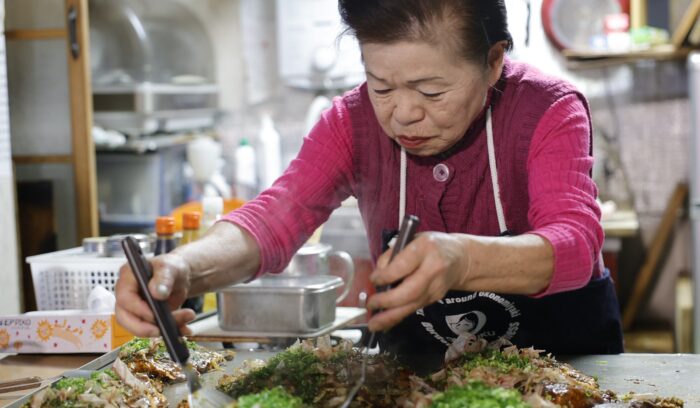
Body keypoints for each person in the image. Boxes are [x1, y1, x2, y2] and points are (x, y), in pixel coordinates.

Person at [115, 0, 623, 372]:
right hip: (421, 384)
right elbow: (272, 220)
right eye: (381, 86)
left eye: (431, 90)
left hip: (567, 374)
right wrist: (184, 268)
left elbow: (577, 245)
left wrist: (461, 260)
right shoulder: (351, 123)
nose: (403, 112)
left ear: (493, 62)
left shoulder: (547, 110)